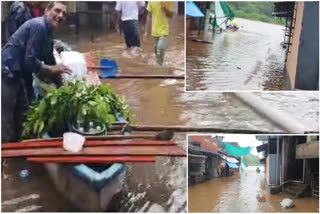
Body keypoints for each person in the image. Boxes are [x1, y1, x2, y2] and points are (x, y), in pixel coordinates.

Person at [1, 2, 71, 142]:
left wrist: (64, 88)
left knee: (23, 114)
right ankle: (5, 156)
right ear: (46, 10)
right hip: (7, 71)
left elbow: (49, 59)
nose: (60, 16)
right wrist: (52, 70)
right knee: (6, 119)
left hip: (20, 74)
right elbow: (30, 60)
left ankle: (19, 151)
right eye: (57, 11)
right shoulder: (39, 26)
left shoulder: (48, 32)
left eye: (64, 14)